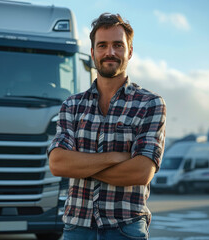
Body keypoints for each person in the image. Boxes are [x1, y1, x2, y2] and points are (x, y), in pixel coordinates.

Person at [48, 13, 166, 239]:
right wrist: (116, 157)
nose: (109, 52)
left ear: (129, 51)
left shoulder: (150, 104)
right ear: (92, 53)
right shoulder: (71, 105)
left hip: (125, 227)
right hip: (76, 228)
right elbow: (58, 164)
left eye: (117, 45)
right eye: (102, 45)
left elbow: (142, 172)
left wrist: (81, 165)